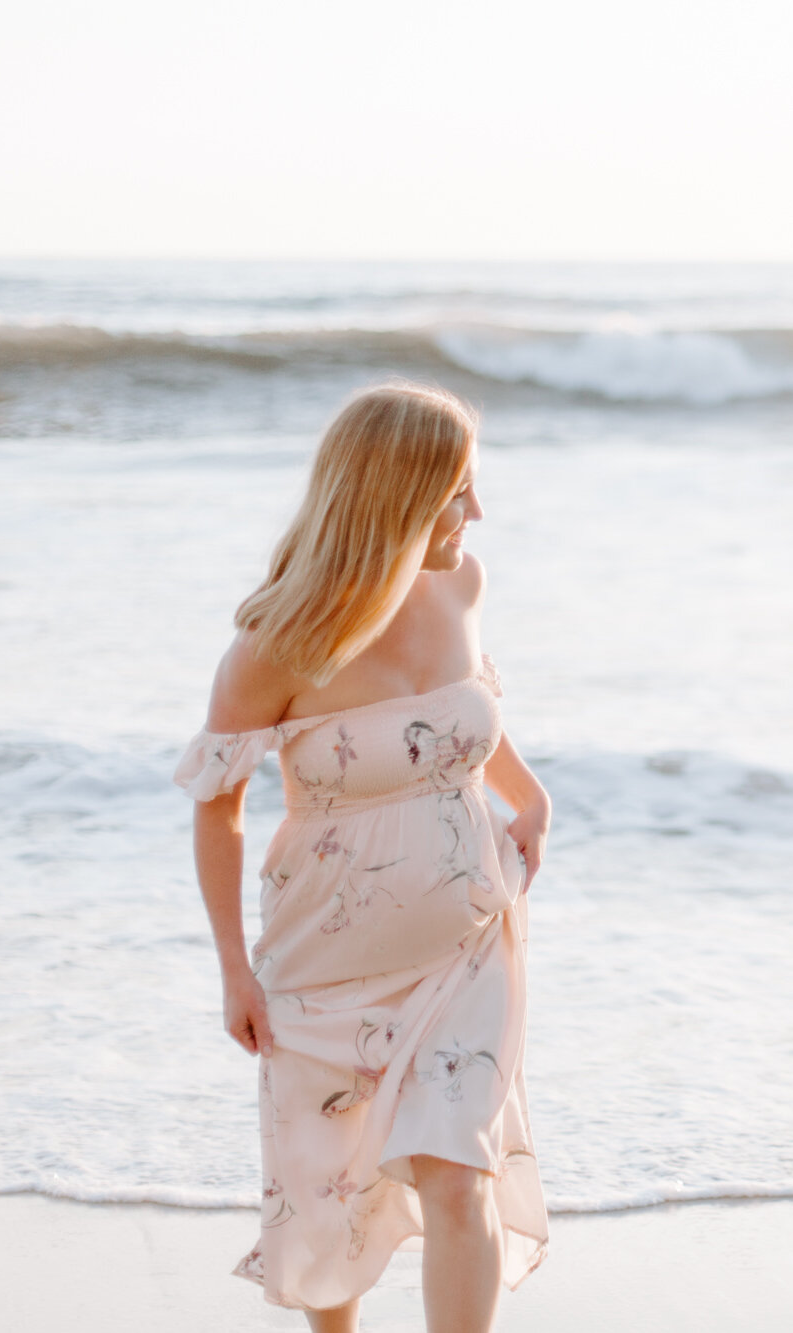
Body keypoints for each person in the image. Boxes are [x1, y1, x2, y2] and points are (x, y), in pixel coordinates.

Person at [176, 380, 552, 1333]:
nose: (478, 511)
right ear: (397, 494)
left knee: (460, 1171)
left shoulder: (462, 584)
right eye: (458, 490)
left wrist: (529, 795)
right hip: (324, 959)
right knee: (329, 1188)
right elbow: (218, 808)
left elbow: (472, 705)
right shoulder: (276, 642)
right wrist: (233, 971)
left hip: (466, 935)